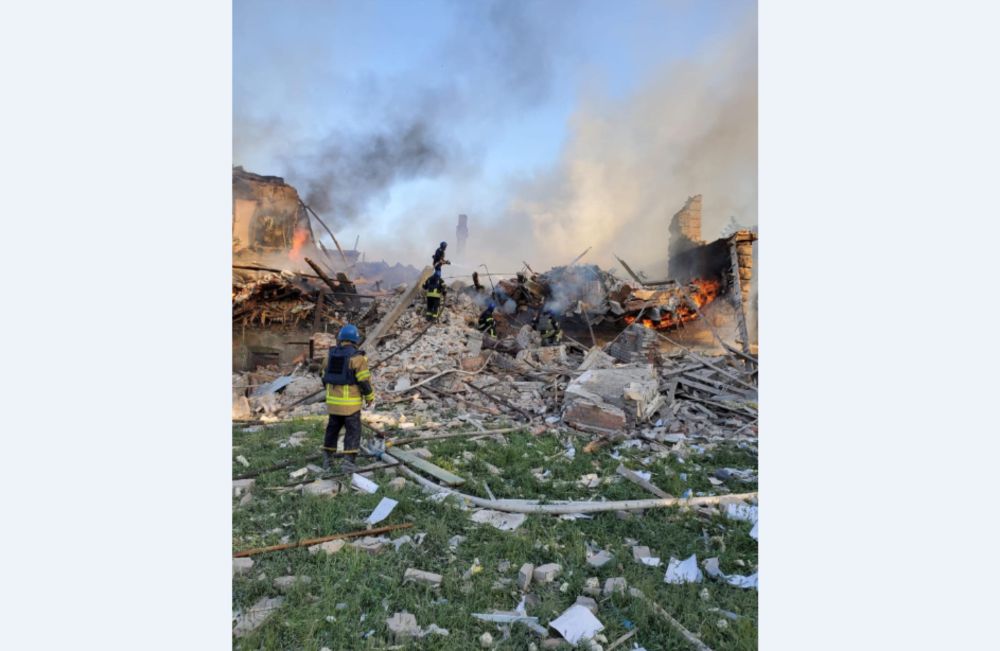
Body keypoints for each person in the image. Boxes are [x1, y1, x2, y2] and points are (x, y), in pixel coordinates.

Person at [321, 324, 375, 471]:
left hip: (333, 405)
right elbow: (364, 381)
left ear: (341, 339)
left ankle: (327, 459)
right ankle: (348, 463)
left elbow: (324, 378)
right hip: (350, 406)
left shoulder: (329, 356)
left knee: (332, 430)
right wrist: (370, 397)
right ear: (355, 340)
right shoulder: (358, 358)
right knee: (353, 431)